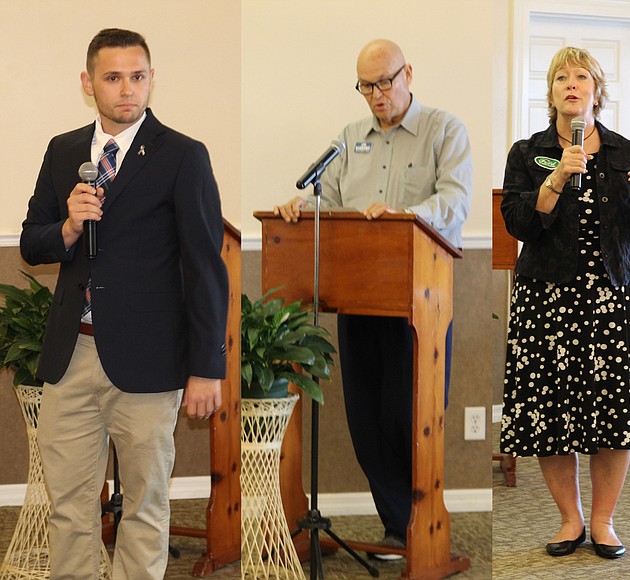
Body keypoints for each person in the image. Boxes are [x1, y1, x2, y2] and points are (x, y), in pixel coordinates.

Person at [19, 28, 228, 579]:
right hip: (73, 356)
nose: (127, 89)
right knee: (68, 507)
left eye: (138, 77)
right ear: (89, 84)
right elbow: (31, 242)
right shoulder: (64, 151)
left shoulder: (183, 155)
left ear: (152, 79)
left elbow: (206, 267)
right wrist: (67, 224)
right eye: (113, 78)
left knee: (144, 506)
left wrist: (207, 368)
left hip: (150, 360)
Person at [275, 38, 471, 557]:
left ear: (409, 72)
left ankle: (422, 524)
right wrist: (302, 206)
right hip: (357, 296)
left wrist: (406, 217)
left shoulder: (444, 130)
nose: (377, 95)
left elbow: (455, 200)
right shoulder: (347, 137)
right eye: (366, 86)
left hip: (418, 302)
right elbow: (332, 200)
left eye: (385, 82)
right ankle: (395, 526)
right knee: (364, 420)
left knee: (405, 417)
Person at [499, 46, 630, 560]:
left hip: (611, 299)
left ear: (597, 93)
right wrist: (557, 176)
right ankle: (569, 519)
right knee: (550, 412)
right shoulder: (527, 151)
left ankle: (603, 521)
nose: (571, 84)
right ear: (552, 93)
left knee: (613, 415)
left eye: (581, 76)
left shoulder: (625, 152)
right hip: (546, 299)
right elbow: (517, 223)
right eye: (561, 77)